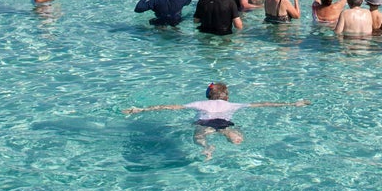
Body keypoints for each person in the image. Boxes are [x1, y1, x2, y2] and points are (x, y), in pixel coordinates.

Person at [123, 82, 310, 158]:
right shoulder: (232, 105)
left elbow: (170, 107)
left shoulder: (199, 103)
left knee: (199, 137)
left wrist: (140, 109)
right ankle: (234, 139)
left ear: (208, 96)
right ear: (226, 97)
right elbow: (264, 104)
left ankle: (206, 148)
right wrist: (293, 104)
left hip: (204, 122)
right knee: (231, 133)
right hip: (224, 122)